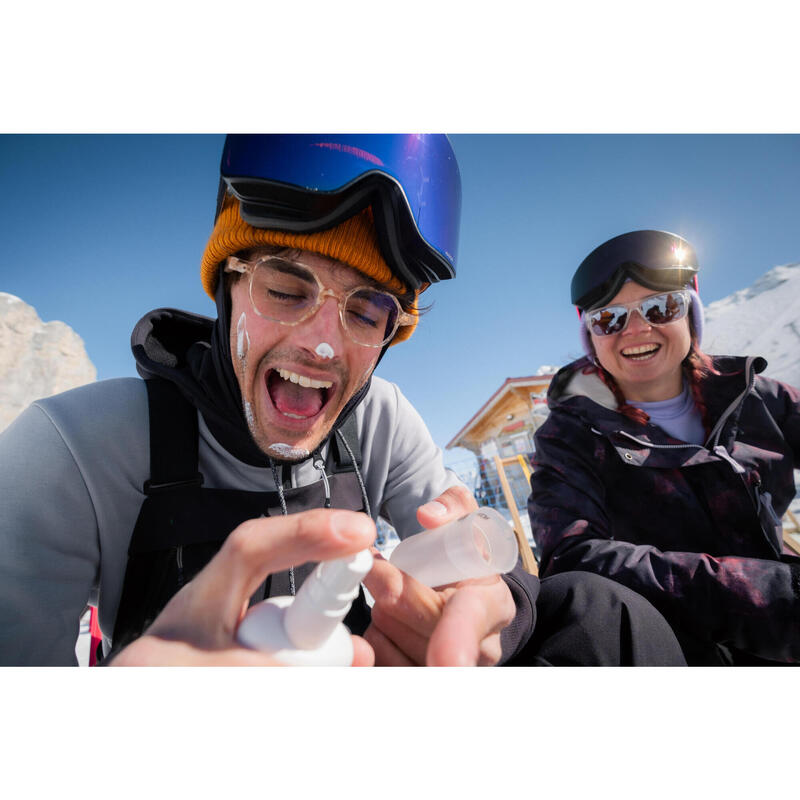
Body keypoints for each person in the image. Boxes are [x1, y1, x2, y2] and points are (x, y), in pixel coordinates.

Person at [0, 137, 685, 666]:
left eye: (366, 312)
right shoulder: (75, 449)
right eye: (286, 289)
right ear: (227, 290)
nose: (323, 347)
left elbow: (479, 558)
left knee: (602, 614)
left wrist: (494, 602)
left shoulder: (379, 422)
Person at [528, 229, 800, 665]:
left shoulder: (754, 398)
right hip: (667, 650)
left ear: (690, 313)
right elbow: (572, 558)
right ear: (591, 336)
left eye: (660, 306)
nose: (636, 329)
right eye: (609, 319)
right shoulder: (572, 437)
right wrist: (775, 594)